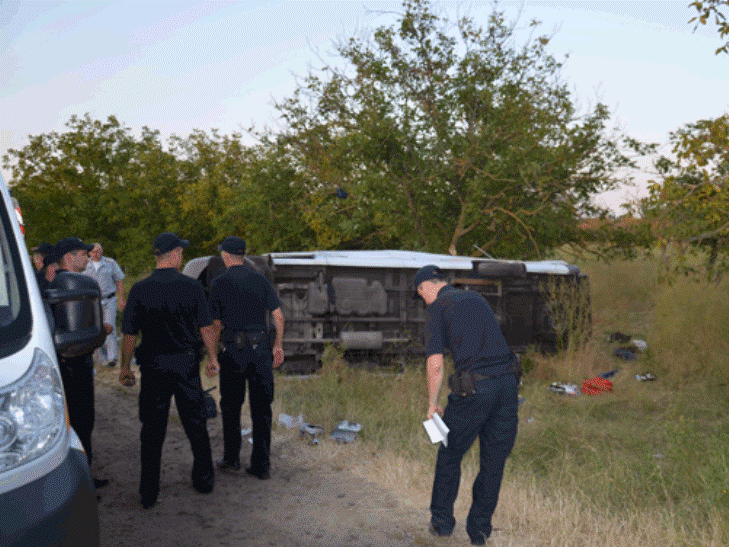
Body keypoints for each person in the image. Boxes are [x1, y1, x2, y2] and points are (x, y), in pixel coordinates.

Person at [414, 265, 519, 546]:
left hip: (474, 390)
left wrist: (432, 405)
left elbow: (435, 365)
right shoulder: (476, 299)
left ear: (426, 287)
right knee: (494, 461)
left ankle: (442, 525)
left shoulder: (437, 308)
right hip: (508, 386)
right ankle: (480, 532)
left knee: (450, 453)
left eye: (420, 293)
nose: (423, 299)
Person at [119, 232, 219, 509]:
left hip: (153, 367)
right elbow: (206, 328)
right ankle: (203, 479)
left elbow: (129, 335)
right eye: (181, 252)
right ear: (173, 254)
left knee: (151, 429)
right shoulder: (191, 288)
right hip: (185, 364)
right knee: (195, 423)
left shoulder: (139, 290)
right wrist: (212, 358)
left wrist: (125, 368)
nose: (182, 255)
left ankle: (148, 491)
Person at [208, 236, 284, 480]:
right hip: (261, 350)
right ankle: (262, 465)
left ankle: (232, 460)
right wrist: (278, 346)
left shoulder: (219, 282)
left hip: (233, 352)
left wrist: (213, 355)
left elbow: (216, 324)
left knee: (231, 407)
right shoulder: (260, 279)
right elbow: (278, 316)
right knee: (262, 409)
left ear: (226, 256)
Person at [50, 237, 109, 489]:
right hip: (74, 365)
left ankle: (83, 476)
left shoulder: (57, 283)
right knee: (81, 421)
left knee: (80, 421)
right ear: (68, 257)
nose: (87, 257)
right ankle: (81, 482)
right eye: (83, 254)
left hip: (70, 364)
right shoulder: (72, 284)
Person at [83, 242, 126, 367]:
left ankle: (112, 357)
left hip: (109, 299)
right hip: (92, 301)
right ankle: (102, 356)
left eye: (98, 251)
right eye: (93, 252)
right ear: (89, 253)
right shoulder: (85, 265)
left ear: (102, 251)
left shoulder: (110, 263)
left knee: (109, 326)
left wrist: (121, 298)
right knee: (96, 328)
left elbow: (119, 281)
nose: (95, 254)